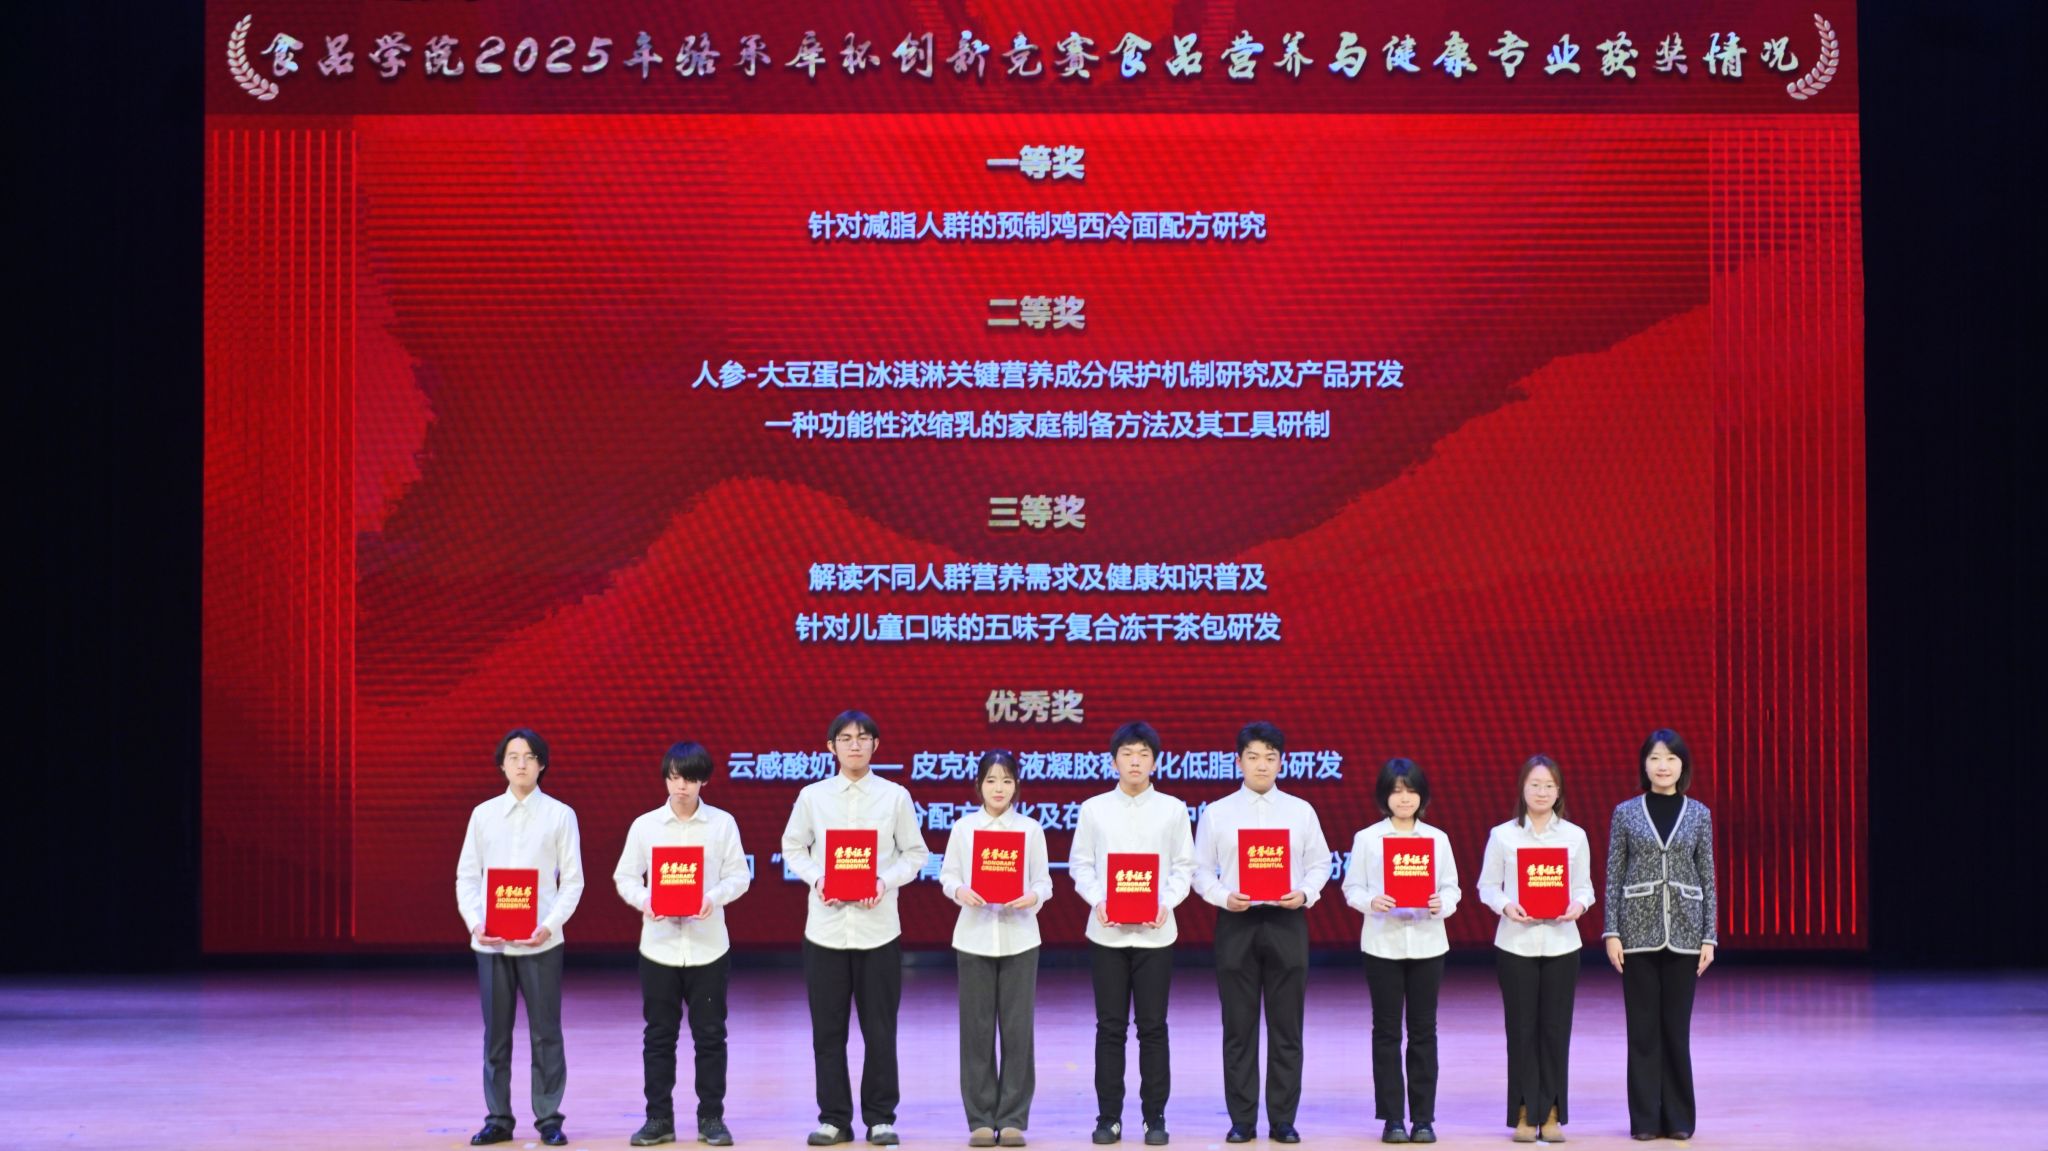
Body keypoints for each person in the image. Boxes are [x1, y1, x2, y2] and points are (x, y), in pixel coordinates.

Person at [781, 710, 931, 1147]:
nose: (854, 745)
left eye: (863, 738)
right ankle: (834, 1119)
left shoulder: (895, 796)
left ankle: (880, 1118)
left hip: (878, 930)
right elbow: (793, 846)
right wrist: (818, 879)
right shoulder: (813, 797)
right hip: (826, 930)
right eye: (845, 738)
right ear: (831, 747)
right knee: (828, 1032)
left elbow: (915, 854)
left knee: (879, 1030)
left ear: (875, 745)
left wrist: (883, 881)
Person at [1191, 721, 1331, 1145]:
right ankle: (1242, 1120)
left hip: (1287, 921)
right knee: (1239, 1026)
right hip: (1237, 921)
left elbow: (1320, 864)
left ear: (1281, 762)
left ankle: (1283, 1120)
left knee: (1287, 1027)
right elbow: (1199, 870)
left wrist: (1304, 893)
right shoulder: (1217, 812)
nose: (1262, 765)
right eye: (1253, 757)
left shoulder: (1301, 811)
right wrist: (1223, 896)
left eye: (1270, 757)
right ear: (1238, 762)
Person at [613, 741, 751, 1147]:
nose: (681, 787)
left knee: (710, 1036)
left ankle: (711, 1118)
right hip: (659, 948)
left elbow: (739, 877)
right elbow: (625, 877)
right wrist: (645, 900)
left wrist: (713, 898)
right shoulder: (645, 826)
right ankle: (658, 1119)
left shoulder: (722, 824)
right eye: (674, 778)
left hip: (708, 947)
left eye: (689, 779)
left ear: (703, 780)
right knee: (658, 1037)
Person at [454, 728, 585, 1147]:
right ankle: (498, 1119)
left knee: (546, 1033)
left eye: (530, 756)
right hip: (491, 944)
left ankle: (548, 1119)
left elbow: (573, 881)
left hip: (540, 942)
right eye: (513, 756)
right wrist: (476, 922)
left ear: (542, 764)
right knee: (496, 1034)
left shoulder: (560, 815)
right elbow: (467, 876)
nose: (522, 763)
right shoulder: (483, 814)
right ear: (502, 765)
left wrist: (550, 924)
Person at [1068, 721, 1196, 1146]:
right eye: (1127, 754)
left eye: (1143, 754)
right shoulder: (1094, 809)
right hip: (1108, 934)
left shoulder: (1173, 809)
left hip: (1156, 935)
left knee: (1153, 1028)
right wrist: (1098, 900)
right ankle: (1109, 1118)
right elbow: (1081, 865)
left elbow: (1184, 867)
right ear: (1114, 762)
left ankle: (1154, 1117)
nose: (1135, 761)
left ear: (1155, 761)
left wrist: (1166, 903)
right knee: (1110, 1028)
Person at [1603, 729, 1718, 1142]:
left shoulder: (1699, 814)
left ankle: (1679, 1117)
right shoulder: (1625, 812)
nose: (1663, 765)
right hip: (1636, 932)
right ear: (1644, 765)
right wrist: (1612, 932)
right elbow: (1614, 872)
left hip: (1685, 931)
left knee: (1675, 1029)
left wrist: (1709, 936)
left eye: (1670, 758)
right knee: (1642, 1030)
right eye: (1655, 758)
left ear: (1682, 765)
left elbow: (1707, 876)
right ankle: (1645, 1119)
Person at [939, 750, 1055, 1148]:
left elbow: (1044, 882)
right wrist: (960, 890)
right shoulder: (964, 828)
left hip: (1020, 938)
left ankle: (1012, 1119)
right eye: (991, 780)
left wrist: (1032, 897)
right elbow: (948, 875)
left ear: (1017, 785)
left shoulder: (1030, 829)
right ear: (979, 786)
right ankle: (980, 1118)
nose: (999, 788)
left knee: (1018, 1031)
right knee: (976, 1031)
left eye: (1006, 780)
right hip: (973, 937)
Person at [1477, 756, 1594, 1144]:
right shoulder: (1503, 835)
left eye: (1549, 786)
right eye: (1535, 785)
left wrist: (1579, 905)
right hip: (1516, 943)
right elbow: (1487, 886)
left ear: (1559, 792)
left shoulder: (1574, 836)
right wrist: (1506, 905)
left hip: (1562, 943)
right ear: (1522, 789)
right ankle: (1525, 1112)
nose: (1542, 792)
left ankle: (1553, 1112)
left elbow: (1585, 887)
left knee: (1556, 1031)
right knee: (1521, 1030)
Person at [1342, 758, 1460, 1144]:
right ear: (1384, 796)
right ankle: (1392, 1118)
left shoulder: (1437, 839)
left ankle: (1423, 1119)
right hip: (1383, 944)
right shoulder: (1368, 839)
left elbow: (1452, 888)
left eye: (1410, 790)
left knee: (1424, 1032)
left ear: (1422, 795)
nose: (1404, 798)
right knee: (1387, 1032)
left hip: (1428, 944)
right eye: (1396, 791)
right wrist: (1371, 901)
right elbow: (1352, 888)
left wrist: (1442, 903)